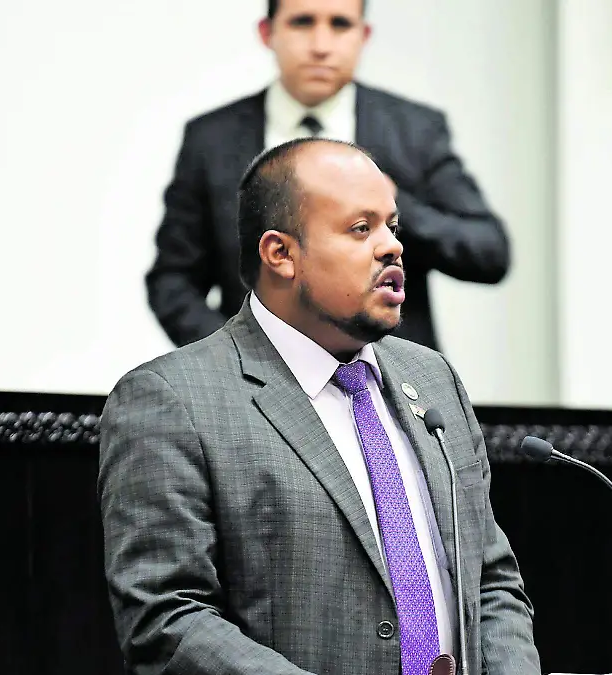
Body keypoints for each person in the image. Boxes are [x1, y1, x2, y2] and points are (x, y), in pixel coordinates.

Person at [99, 138, 539, 675]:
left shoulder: (433, 379)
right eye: (361, 228)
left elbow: (490, 580)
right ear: (280, 254)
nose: (392, 247)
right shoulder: (172, 400)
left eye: (392, 226)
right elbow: (167, 620)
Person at [145, 0, 509, 353]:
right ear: (267, 32)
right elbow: (173, 280)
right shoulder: (211, 139)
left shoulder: (414, 131)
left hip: (387, 376)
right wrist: (238, 359)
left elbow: (488, 252)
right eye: (302, 22)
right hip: (254, 383)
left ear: (363, 36)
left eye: (340, 24)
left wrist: (393, 207)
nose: (321, 45)